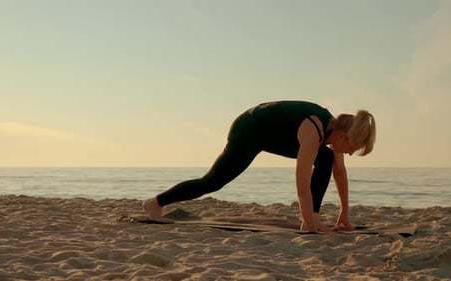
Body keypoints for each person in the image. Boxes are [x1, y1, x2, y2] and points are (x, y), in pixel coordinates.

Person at [142, 100, 376, 233]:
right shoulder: (313, 129)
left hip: (273, 135)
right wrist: (309, 225)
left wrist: (344, 213)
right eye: (353, 147)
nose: (351, 152)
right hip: (249, 129)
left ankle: (313, 216)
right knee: (212, 182)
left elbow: (340, 173)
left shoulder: (331, 135)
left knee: (326, 159)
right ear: (344, 136)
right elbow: (302, 183)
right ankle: (154, 204)